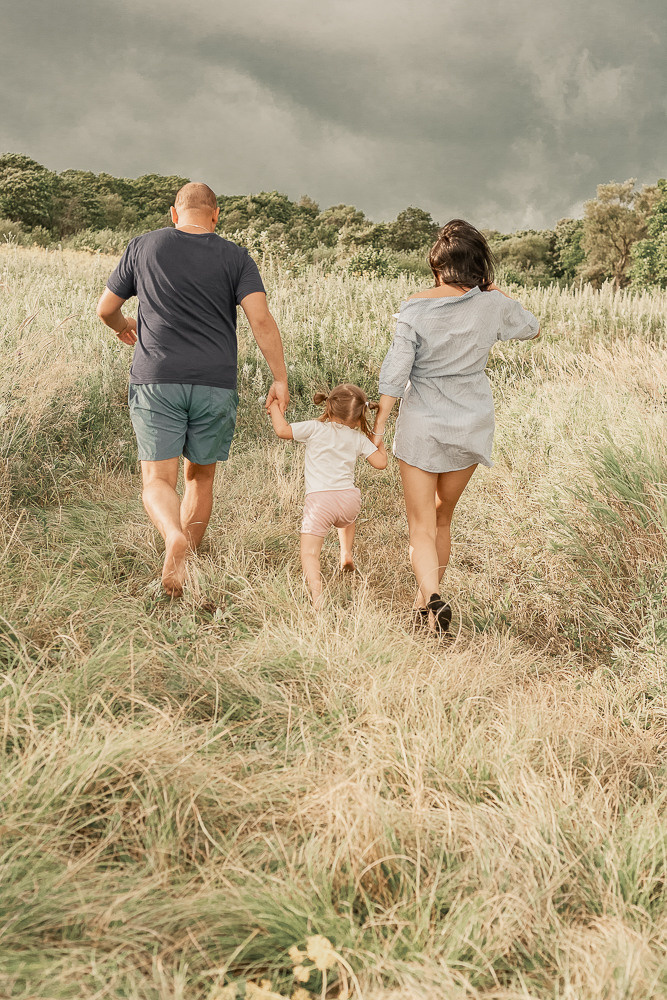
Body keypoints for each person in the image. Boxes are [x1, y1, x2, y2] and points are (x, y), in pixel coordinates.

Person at [96, 182, 289, 597]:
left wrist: (123, 327)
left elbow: (106, 309)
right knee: (200, 479)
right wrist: (279, 378)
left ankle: (172, 538)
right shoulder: (236, 256)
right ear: (215, 215)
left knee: (157, 481)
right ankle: (188, 563)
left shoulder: (142, 247)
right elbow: (261, 320)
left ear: (174, 213)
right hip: (214, 383)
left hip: (157, 378)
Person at [373, 218, 540, 632]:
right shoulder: (492, 305)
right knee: (443, 516)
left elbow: (396, 373)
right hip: (470, 424)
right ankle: (424, 610)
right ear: (479, 265)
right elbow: (532, 328)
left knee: (421, 525)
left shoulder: (415, 307)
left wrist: (377, 429)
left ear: (437, 266)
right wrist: (499, 294)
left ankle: (430, 597)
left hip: (422, 427)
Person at [267, 384, 388, 610]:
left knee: (310, 552)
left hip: (320, 503)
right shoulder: (359, 438)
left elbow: (282, 431)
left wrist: (274, 407)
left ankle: (317, 596)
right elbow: (381, 463)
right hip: (349, 501)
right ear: (360, 415)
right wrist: (377, 439)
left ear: (329, 406)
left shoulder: (314, 428)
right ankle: (346, 553)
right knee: (347, 520)